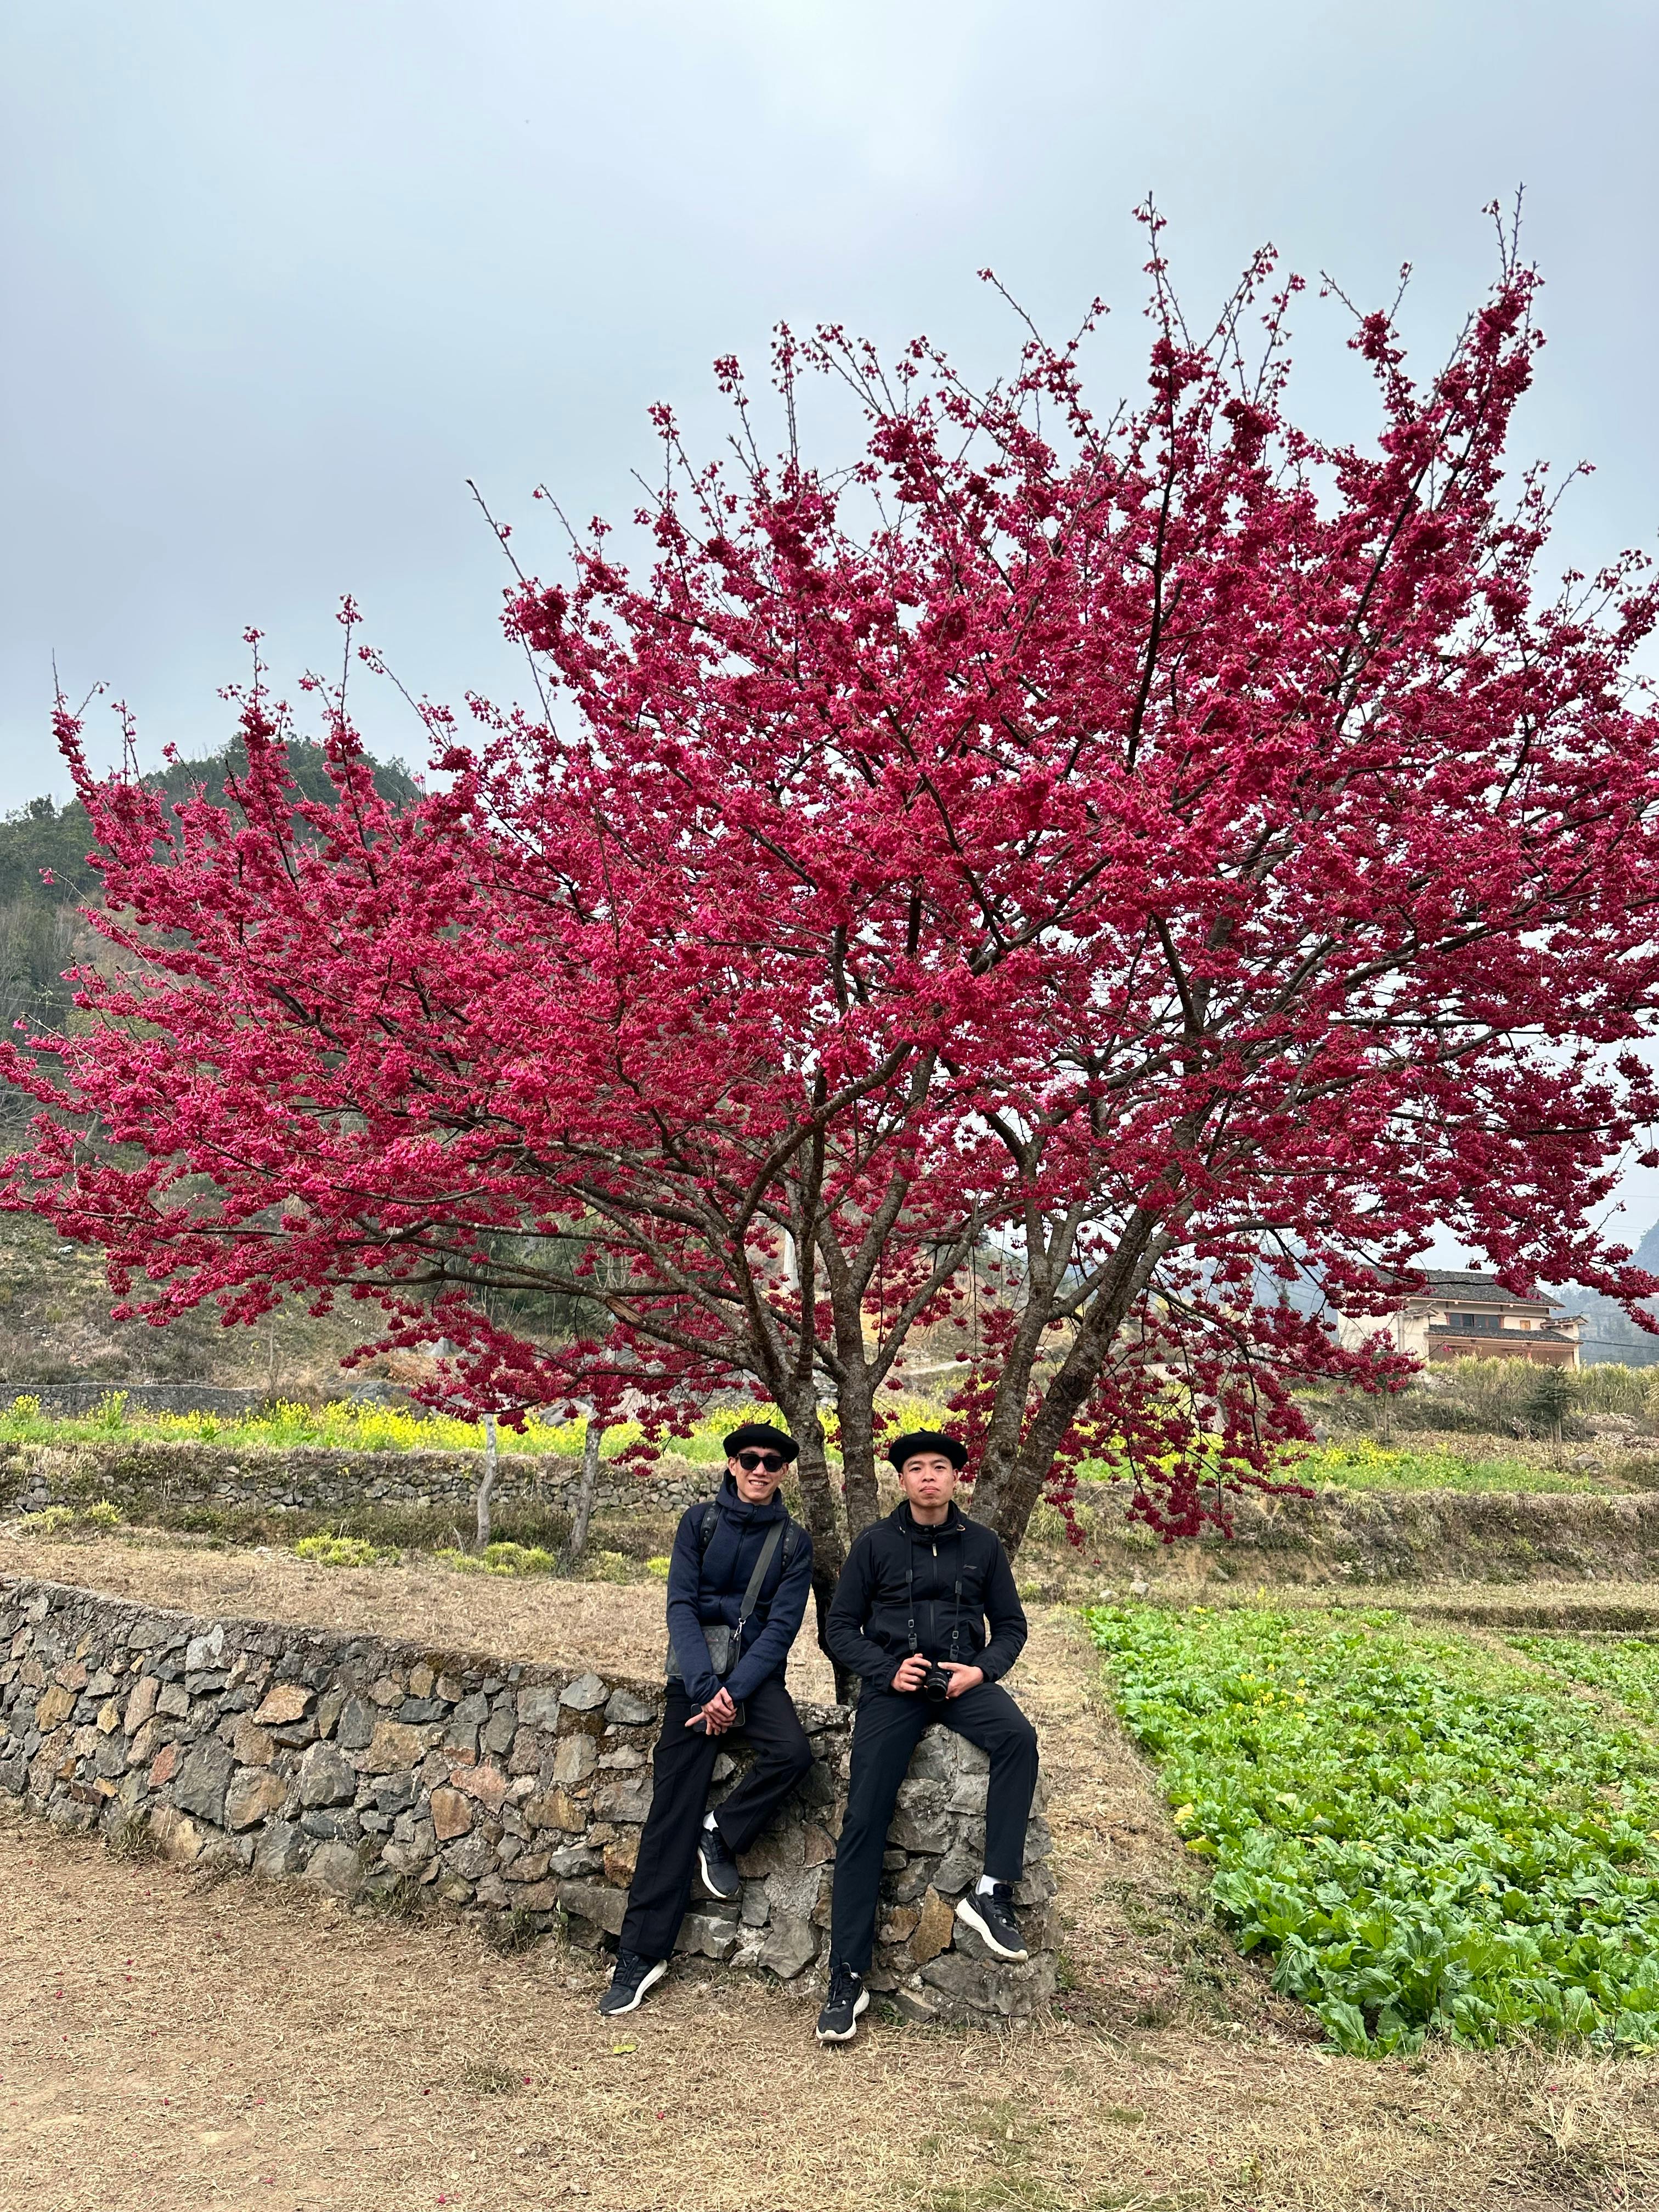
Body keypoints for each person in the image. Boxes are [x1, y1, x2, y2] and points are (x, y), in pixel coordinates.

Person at [816, 1429, 1037, 2043]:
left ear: (955, 1477)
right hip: (894, 1689)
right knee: (865, 1815)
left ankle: (992, 1891)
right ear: (903, 1480)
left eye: (940, 1467)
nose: (929, 1477)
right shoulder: (874, 1543)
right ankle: (847, 1975)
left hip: (963, 1683)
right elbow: (839, 1627)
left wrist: (980, 1671)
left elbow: (1012, 1627)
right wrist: (887, 1669)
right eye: (917, 1468)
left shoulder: (984, 1545)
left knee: (1019, 1739)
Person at [599, 1422, 815, 2017]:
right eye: (750, 1459)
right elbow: (680, 1606)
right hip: (695, 1680)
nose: (760, 1469)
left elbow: (782, 1628)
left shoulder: (793, 1543)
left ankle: (720, 1831)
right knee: (671, 1811)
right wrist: (705, 1691)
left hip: (754, 1680)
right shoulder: (699, 1524)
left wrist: (734, 1693)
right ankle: (641, 1956)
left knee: (793, 1754)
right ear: (732, 1464)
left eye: (772, 1462)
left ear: (784, 1472)